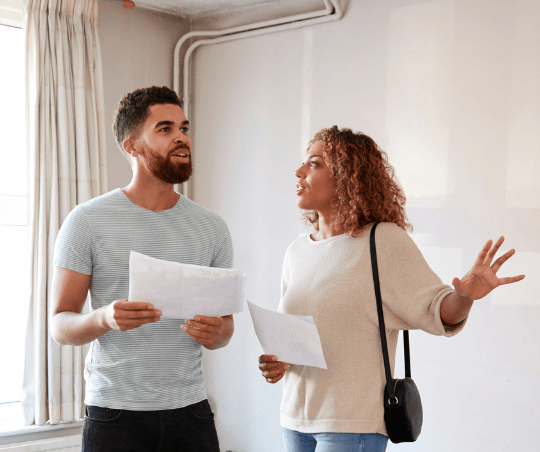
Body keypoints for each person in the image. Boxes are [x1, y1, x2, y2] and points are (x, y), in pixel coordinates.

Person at [258, 126, 525, 452]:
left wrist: (464, 296)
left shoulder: (381, 240)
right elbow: (300, 337)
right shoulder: (296, 252)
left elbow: (437, 311)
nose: (299, 171)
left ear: (346, 175)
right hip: (294, 419)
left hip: (351, 425)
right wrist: (279, 362)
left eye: (314, 163)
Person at [51, 86, 234, 452]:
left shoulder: (212, 227)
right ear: (132, 146)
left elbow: (225, 330)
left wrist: (215, 332)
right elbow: (60, 325)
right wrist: (104, 317)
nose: (182, 137)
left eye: (183, 127)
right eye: (165, 129)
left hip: (192, 413)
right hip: (115, 416)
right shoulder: (87, 220)